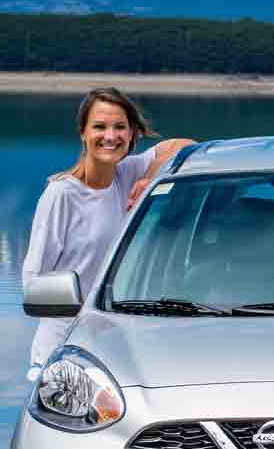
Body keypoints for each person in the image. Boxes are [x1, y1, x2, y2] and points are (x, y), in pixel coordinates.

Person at [22, 87, 195, 377]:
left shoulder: (127, 173)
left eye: (120, 127)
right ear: (83, 133)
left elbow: (186, 146)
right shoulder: (61, 194)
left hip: (114, 343)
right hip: (64, 348)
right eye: (99, 127)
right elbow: (33, 281)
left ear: (132, 135)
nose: (110, 136)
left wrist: (150, 179)